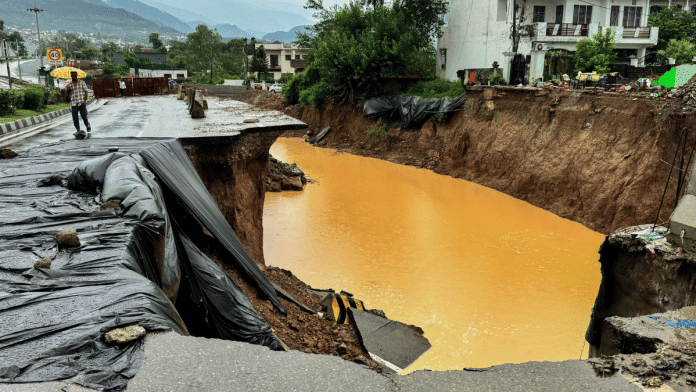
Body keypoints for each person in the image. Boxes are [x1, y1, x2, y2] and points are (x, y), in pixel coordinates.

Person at [66, 71, 91, 139]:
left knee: (84, 116)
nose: (74, 76)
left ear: (77, 75)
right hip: (74, 103)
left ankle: (87, 125)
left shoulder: (82, 82)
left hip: (81, 102)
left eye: (75, 75)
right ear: (71, 76)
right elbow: (68, 95)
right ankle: (78, 130)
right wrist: (68, 89)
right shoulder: (69, 84)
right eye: (72, 75)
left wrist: (85, 100)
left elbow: (86, 90)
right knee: (75, 118)